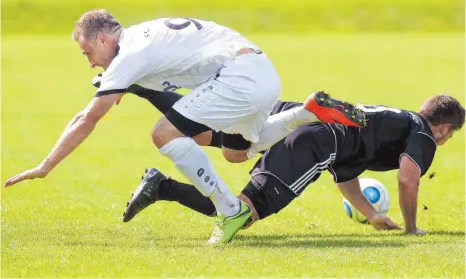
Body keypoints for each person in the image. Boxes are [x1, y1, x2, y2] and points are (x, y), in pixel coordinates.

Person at [3, 10, 366, 245]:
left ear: (102, 39)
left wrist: (45, 166)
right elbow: (162, 96)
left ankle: (229, 210)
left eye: (86, 53)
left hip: (238, 79)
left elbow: (88, 118)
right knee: (238, 151)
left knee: (163, 134)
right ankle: (307, 111)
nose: (89, 63)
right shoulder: (145, 34)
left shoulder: (128, 55)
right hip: (261, 70)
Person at [123, 94, 464, 234]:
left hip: (298, 119)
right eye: (450, 136)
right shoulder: (423, 135)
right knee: (238, 215)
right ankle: (162, 186)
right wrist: (411, 227)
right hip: (314, 143)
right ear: (445, 128)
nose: (446, 141)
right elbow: (408, 179)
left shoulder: (393, 123)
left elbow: (345, 172)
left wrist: (372, 215)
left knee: (226, 143)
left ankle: (154, 92)